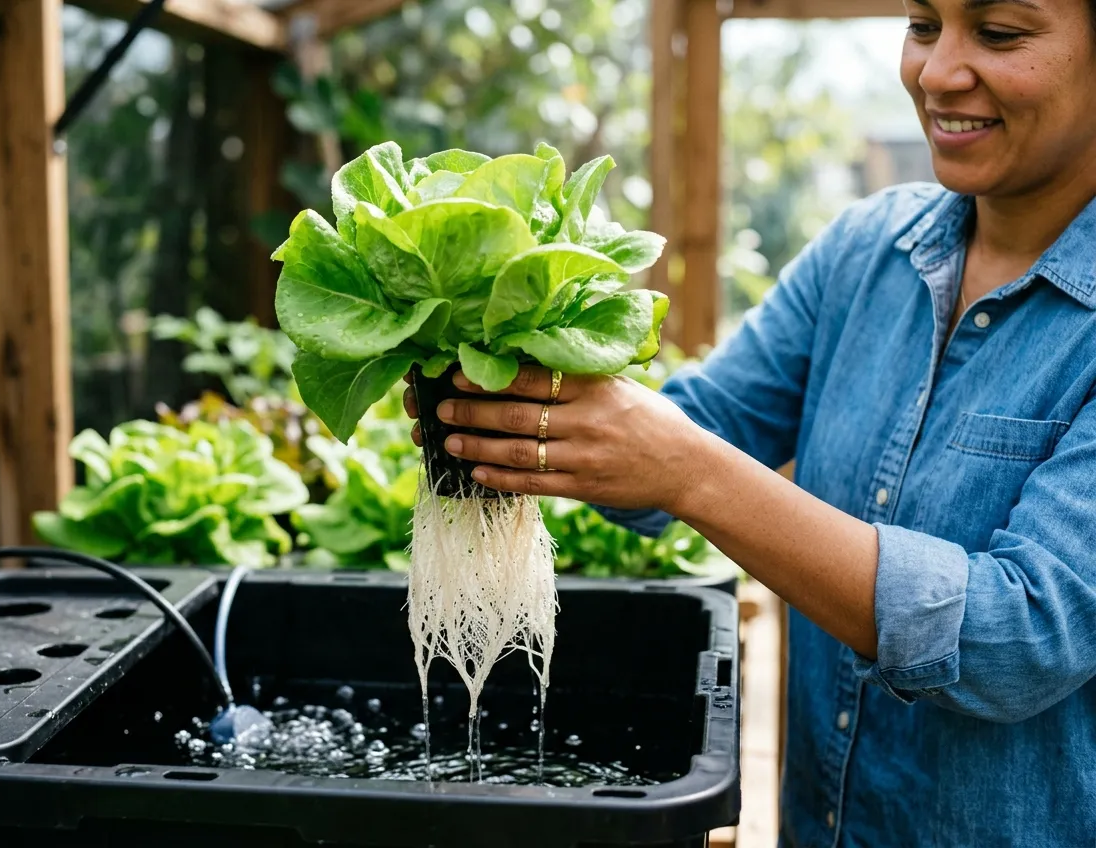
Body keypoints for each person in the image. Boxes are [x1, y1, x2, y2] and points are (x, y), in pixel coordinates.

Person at [403, 0, 1096, 844]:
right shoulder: (865, 251)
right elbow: (707, 423)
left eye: (998, 33)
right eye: (922, 24)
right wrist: (513, 382)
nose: (938, 71)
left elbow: (1018, 637)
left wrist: (686, 469)